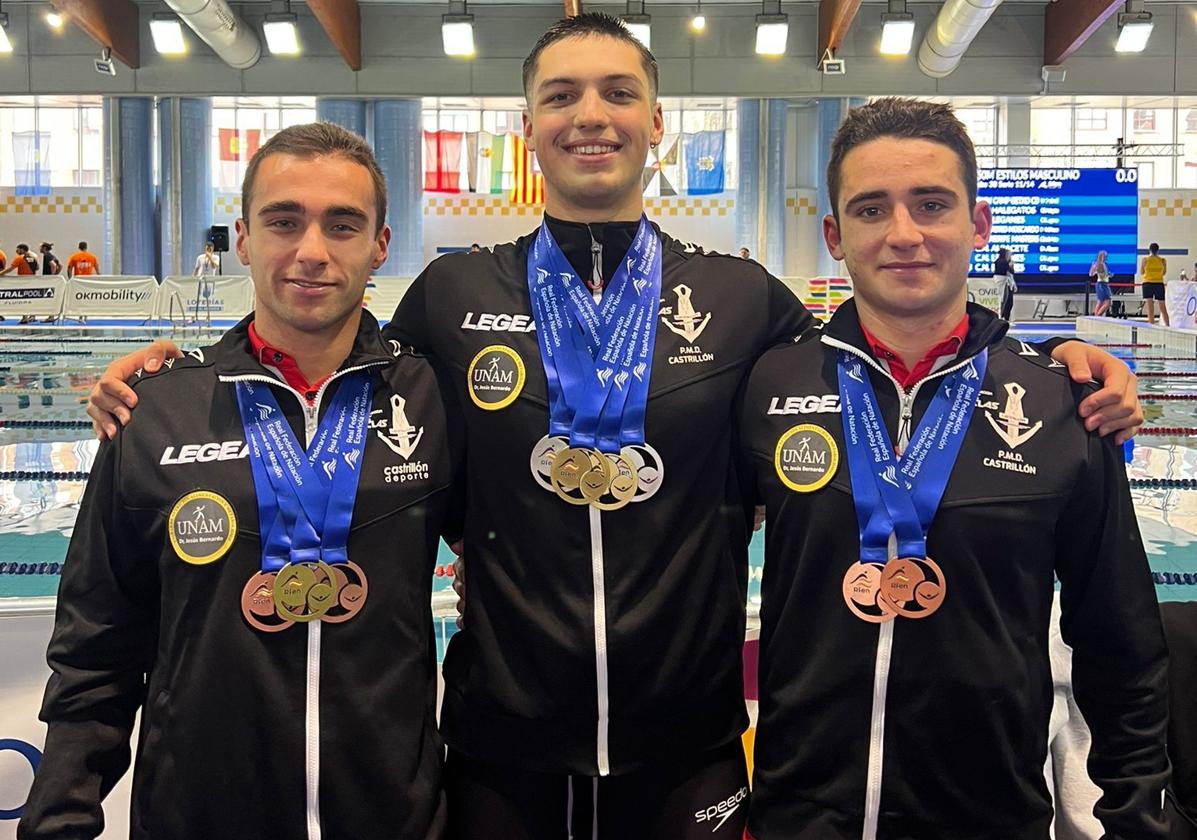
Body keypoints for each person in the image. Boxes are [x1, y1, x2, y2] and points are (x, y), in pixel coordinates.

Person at [86, 21, 1143, 839]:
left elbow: (872, 361)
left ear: (655, 124)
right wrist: (183, 370)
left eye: (619, 93)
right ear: (529, 126)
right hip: (499, 748)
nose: (591, 114)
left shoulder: (741, 302)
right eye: (561, 95)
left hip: (686, 752)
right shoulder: (451, 299)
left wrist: (1045, 360)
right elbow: (345, 380)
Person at [738, 97, 1168, 840]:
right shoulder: (770, 385)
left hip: (988, 815)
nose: (903, 234)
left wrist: (1132, 813)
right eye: (871, 210)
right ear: (836, 236)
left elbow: (1118, 635)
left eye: (930, 204)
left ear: (977, 226)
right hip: (799, 814)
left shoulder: (1062, 402)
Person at [18, 123, 459, 840]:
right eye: (283, 221)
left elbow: (517, 546)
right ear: (245, 239)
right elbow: (97, 642)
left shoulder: (434, 398)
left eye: (342, 225)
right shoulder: (155, 409)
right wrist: (59, 820)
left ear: (379, 244)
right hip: (198, 816)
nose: (310, 252)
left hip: (395, 817)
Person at [1140, 242, 1170, 326]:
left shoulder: (1145, 260)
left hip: (1147, 283)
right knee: (1162, 306)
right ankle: (1167, 325)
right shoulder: (1162, 260)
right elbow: (1164, 273)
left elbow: (1142, 272)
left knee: (1150, 307)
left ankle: (1151, 324)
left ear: (1149, 250)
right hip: (1158, 283)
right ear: (1158, 251)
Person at [993, 245, 1016, 320]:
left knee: (1004, 299)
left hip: (1003, 281)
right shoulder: (1003, 262)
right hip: (1001, 281)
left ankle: (1003, 316)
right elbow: (1011, 271)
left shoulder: (997, 261)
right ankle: (1001, 316)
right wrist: (1011, 266)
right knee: (1002, 299)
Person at [1091, 249, 1113, 317]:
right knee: (1108, 303)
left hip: (1102, 283)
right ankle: (1098, 315)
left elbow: (1093, 273)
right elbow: (1092, 273)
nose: (1106, 257)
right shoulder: (1100, 264)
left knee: (1100, 302)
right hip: (1102, 284)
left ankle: (1096, 316)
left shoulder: (1102, 264)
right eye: (1105, 256)